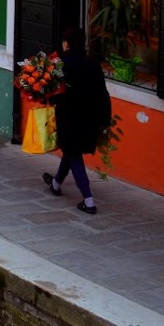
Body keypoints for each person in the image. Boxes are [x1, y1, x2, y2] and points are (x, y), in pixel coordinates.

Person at [44, 26, 112, 214]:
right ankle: (56, 184)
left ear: (67, 43)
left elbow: (54, 92)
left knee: (73, 153)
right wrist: (106, 120)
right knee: (71, 150)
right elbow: (103, 93)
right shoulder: (93, 63)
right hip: (91, 117)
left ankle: (88, 200)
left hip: (69, 116)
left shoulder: (61, 64)